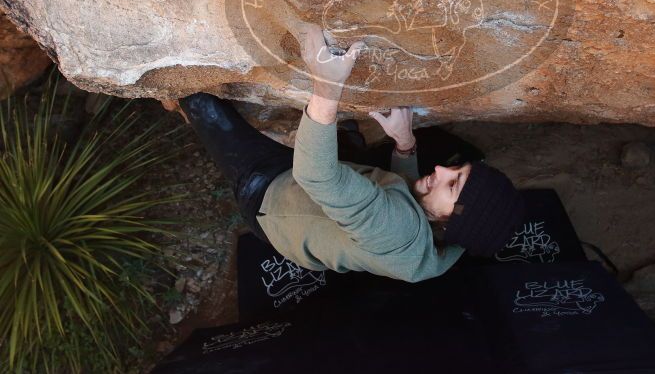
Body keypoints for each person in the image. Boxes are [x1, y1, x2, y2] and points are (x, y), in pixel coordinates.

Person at [163, 24, 525, 282]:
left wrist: (326, 84)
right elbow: (411, 201)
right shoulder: (443, 235)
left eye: (452, 186)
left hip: (272, 198)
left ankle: (175, 100)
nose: (441, 171)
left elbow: (316, 176)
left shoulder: (396, 233)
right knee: (344, 145)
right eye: (457, 171)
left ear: (448, 223)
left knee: (203, 105)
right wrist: (405, 144)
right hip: (318, 201)